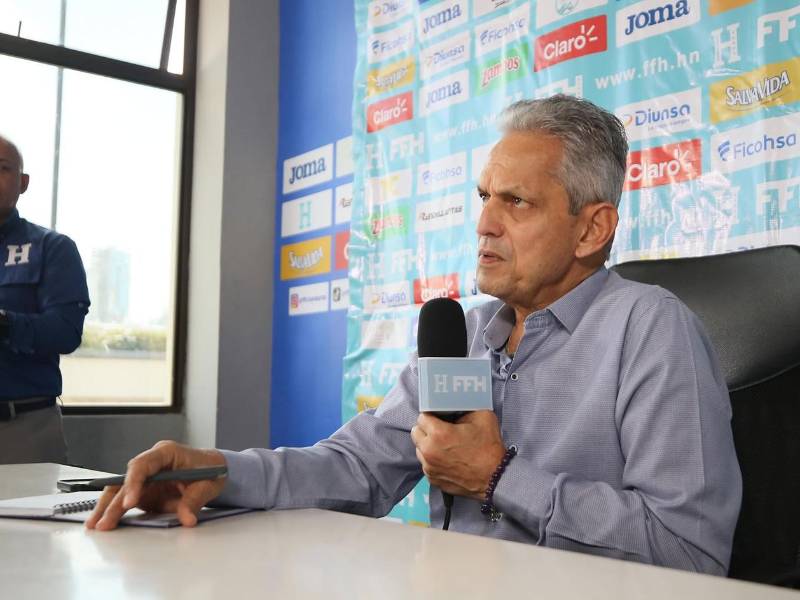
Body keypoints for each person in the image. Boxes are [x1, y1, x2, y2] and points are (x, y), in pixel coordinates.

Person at [87, 96, 742, 576]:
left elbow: (689, 550)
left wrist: (499, 476)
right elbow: (357, 468)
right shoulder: (461, 333)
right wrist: (217, 471)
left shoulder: (651, 330)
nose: (484, 222)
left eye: (516, 202)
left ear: (591, 229)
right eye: (484, 196)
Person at [0, 135, 90, 463]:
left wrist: (5, 323)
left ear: (22, 182)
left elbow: (66, 332)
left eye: (2, 168)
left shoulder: (53, 248)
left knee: (29, 515)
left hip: (23, 430)